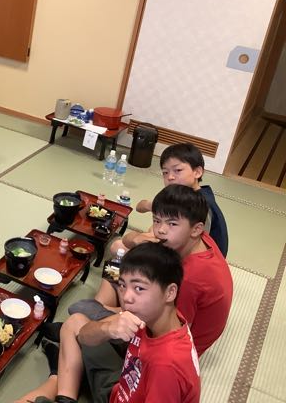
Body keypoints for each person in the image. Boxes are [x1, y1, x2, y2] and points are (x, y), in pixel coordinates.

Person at [16, 243, 201, 403]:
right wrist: (108, 328)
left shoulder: (166, 366)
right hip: (120, 388)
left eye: (139, 288)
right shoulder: (157, 317)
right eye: (123, 285)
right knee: (75, 322)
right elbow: (83, 336)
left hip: (125, 391)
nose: (126, 297)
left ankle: (60, 375)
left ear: (170, 292)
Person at [70, 185, 232, 356]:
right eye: (156, 220)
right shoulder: (196, 239)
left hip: (167, 346)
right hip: (165, 309)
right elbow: (127, 241)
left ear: (196, 229)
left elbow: (169, 330)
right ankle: (92, 323)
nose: (161, 229)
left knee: (80, 309)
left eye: (172, 223)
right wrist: (139, 239)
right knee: (117, 261)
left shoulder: (190, 278)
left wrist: (114, 315)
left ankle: (91, 329)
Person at [113, 142, 228, 257]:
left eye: (178, 170)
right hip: (179, 248)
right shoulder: (184, 194)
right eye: (165, 172)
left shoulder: (201, 204)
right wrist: (151, 206)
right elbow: (140, 206)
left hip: (193, 258)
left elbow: (196, 246)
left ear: (197, 172)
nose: (170, 177)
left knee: (118, 246)